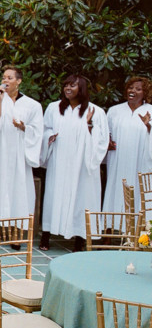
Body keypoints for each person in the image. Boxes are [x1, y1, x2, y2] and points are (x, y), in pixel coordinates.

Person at [40, 75, 109, 250]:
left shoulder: (96, 112)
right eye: (66, 85)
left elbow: (102, 141)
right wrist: (49, 137)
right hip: (60, 161)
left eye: (73, 86)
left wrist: (90, 126)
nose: (67, 89)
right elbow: (45, 129)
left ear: (82, 89)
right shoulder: (54, 108)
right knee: (54, 196)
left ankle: (79, 237)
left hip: (82, 164)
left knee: (81, 198)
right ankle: (46, 235)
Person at [0, 66, 43, 222]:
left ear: (19, 81)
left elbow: (37, 130)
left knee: (18, 190)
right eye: (3, 78)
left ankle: (16, 233)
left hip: (19, 151)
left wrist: (24, 127)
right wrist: (0, 102)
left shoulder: (32, 105)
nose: (5, 81)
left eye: (10, 78)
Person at [103, 76, 152, 214]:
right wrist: (108, 142)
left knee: (139, 190)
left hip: (140, 160)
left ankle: (138, 228)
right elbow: (106, 133)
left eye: (138, 89)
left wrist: (148, 126)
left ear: (145, 93)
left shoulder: (150, 110)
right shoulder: (114, 111)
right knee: (116, 188)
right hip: (118, 159)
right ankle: (113, 226)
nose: (133, 91)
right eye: (130, 88)